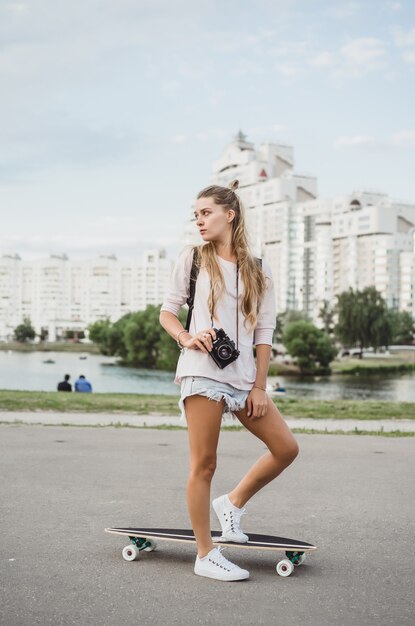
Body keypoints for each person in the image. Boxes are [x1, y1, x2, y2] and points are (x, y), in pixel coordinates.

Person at [159, 179, 299, 582]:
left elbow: (264, 331)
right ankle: (206, 553)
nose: (199, 221)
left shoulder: (258, 268)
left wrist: (259, 386)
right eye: (196, 214)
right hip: (202, 372)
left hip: (242, 380)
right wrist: (187, 337)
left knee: (285, 448)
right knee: (204, 464)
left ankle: (232, 504)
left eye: (206, 213)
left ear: (229, 214)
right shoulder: (193, 258)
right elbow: (168, 312)